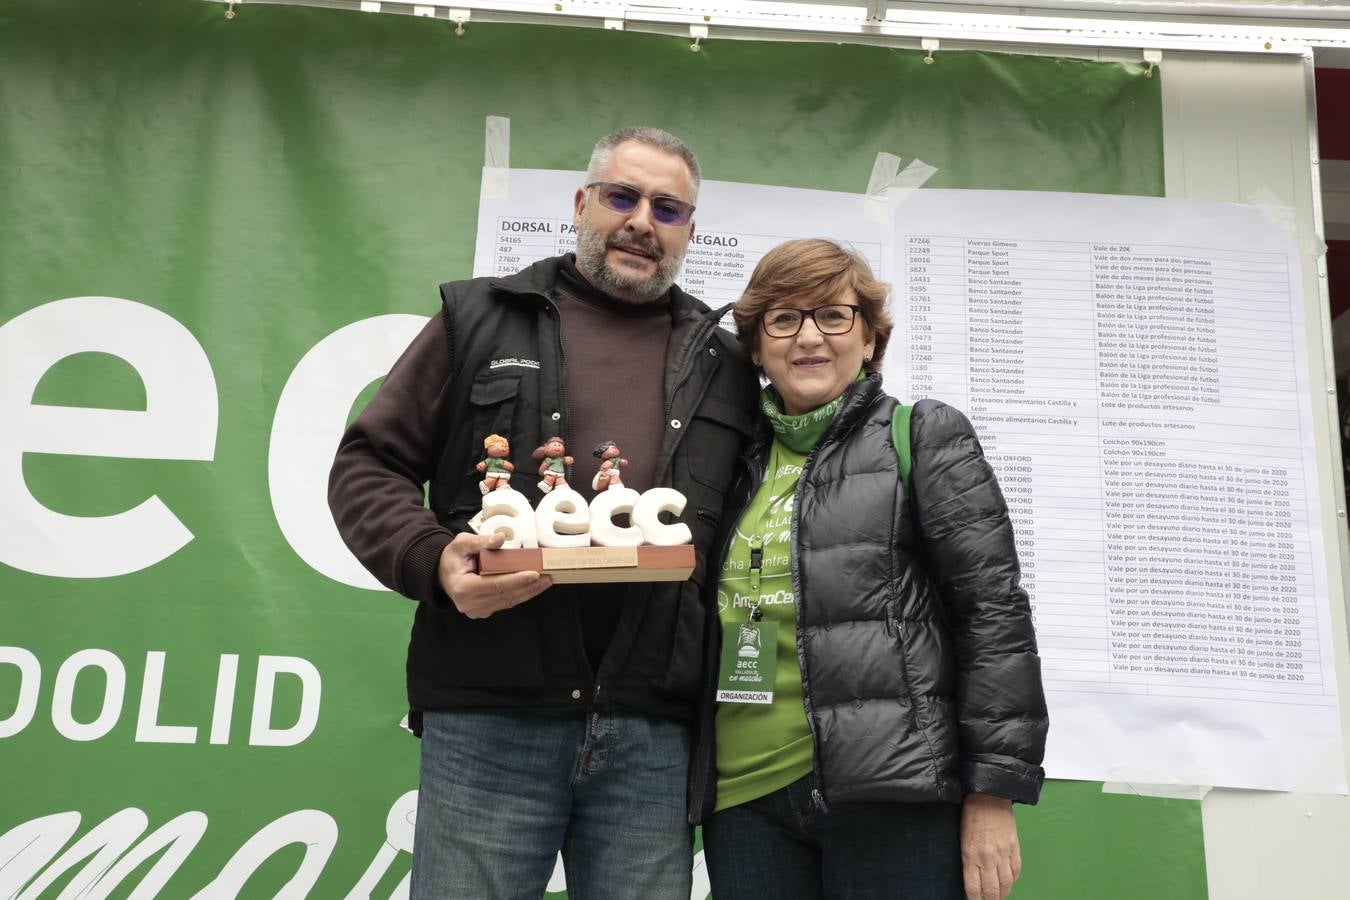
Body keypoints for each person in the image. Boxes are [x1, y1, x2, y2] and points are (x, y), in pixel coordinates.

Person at [328, 127, 758, 899]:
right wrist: (433, 559)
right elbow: (368, 463)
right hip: (491, 716)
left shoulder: (725, 362)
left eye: (667, 208)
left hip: (654, 733)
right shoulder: (480, 320)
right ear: (582, 204)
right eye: (622, 197)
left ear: (690, 232)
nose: (641, 221)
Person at [693, 238, 1048, 900]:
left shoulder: (921, 436)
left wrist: (992, 792)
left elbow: (992, 614)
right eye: (784, 318)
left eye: (833, 315)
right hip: (744, 801)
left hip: (891, 794)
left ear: (869, 339)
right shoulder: (731, 460)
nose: (809, 338)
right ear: (757, 345)